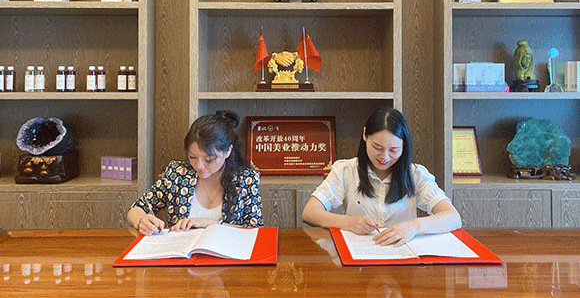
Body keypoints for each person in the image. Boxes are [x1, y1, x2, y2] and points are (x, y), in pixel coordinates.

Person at [301, 107, 461, 247]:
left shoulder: (416, 174)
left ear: (404, 146)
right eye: (377, 147)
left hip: (402, 255)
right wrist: (350, 223)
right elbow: (309, 213)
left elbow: (453, 218)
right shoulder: (346, 170)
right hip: (360, 254)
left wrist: (414, 226)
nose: (384, 157)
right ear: (365, 135)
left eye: (393, 150)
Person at [128, 110, 263, 235]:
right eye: (192, 157)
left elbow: (255, 231)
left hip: (228, 252)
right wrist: (141, 221)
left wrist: (211, 224)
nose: (199, 166)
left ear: (228, 151)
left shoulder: (246, 179)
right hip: (181, 250)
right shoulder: (177, 174)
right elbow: (136, 209)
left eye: (209, 160)